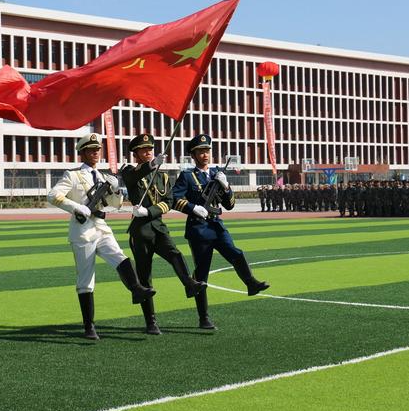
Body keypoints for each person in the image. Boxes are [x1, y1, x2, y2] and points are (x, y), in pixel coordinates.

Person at [48, 133, 155, 340]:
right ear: (82, 153)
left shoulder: (104, 177)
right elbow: (53, 196)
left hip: (101, 225)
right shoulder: (72, 175)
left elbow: (114, 205)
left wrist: (116, 190)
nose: (95, 153)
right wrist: (77, 207)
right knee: (86, 279)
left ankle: (136, 290)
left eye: (97, 150)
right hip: (82, 231)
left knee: (120, 256)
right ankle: (89, 327)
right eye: (91, 150)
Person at [172, 134, 270, 330]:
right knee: (201, 274)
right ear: (193, 154)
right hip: (199, 228)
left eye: (207, 150)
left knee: (236, 253)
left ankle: (250, 283)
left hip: (217, 225)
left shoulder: (217, 173)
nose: (205, 154)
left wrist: (225, 186)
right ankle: (204, 317)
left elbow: (230, 204)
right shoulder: (187, 176)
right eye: (201, 151)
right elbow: (175, 199)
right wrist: (192, 208)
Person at [121, 134, 207, 335]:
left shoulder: (164, 176)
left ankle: (189, 284)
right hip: (140, 231)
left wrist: (150, 211)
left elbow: (168, 201)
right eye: (143, 150)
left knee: (175, 254)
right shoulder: (129, 171)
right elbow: (133, 178)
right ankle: (150, 321)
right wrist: (150, 166)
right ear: (136, 154)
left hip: (158, 226)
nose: (148, 152)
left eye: (150, 148)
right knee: (145, 277)